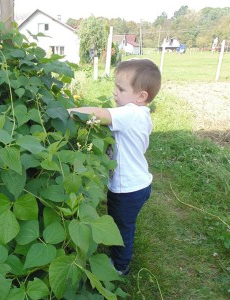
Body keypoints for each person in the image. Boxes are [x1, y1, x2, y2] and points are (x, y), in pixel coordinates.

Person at [68, 59, 161, 275]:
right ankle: (121, 259)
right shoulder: (140, 114)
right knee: (124, 223)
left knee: (122, 228)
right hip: (138, 184)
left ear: (141, 96)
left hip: (127, 189)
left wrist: (69, 111)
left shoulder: (132, 113)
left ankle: (120, 267)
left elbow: (99, 115)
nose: (114, 92)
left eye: (121, 88)